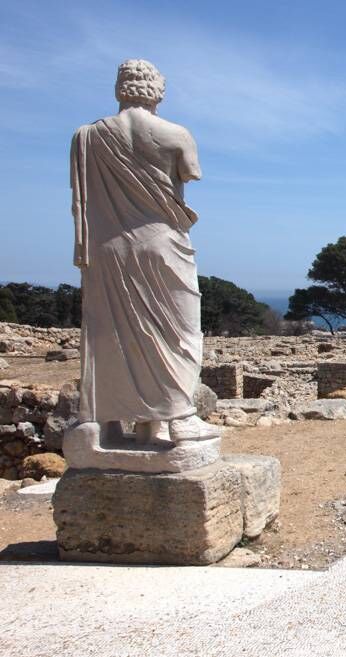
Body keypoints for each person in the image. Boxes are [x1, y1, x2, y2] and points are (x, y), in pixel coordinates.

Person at [70, 59, 219, 443]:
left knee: (111, 334)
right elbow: (190, 172)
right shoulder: (175, 134)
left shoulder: (86, 137)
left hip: (107, 249)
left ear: (120, 88)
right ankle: (173, 418)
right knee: (179, 333)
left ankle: (108, 422)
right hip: (159, 242)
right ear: (157, 90)